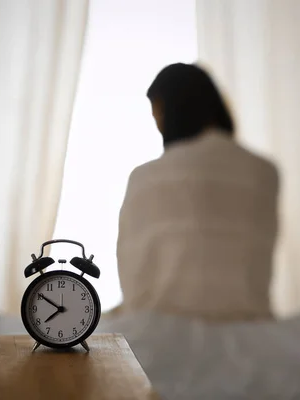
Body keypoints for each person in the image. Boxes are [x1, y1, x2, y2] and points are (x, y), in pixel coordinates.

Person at [113, 63, 280, 321]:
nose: (158, 124)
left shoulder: (145, 178)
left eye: (157, 114)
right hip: (251, 326)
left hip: (160, 328)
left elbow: (136, 277)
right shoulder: (265, 172)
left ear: (169, 110)